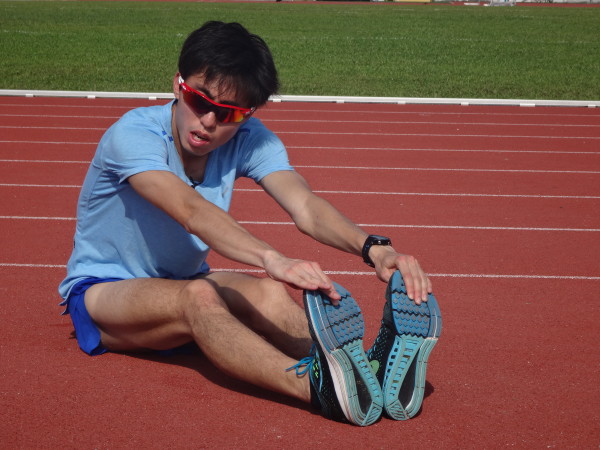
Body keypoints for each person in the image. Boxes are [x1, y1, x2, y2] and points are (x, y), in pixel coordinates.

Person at [58, 21, 439, 426]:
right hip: (104, 294)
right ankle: (317, 387)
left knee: (270, 294)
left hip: (185, 279)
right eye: (199, 101)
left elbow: (305, 206)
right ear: (177, 84)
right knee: (200, 298)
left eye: (228, 113)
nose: (208, 121)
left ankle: (361, 372)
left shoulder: (250, 138)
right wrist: (270, 257)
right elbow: (190, 210)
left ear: (247, 113)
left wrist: (375, 248)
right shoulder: (133, 135)